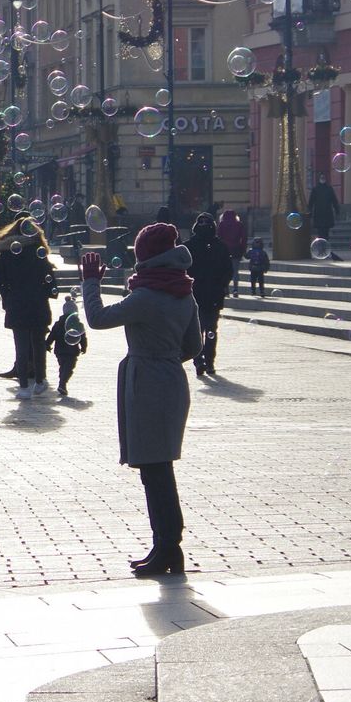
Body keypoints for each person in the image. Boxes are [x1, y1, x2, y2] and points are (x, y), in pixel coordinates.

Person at [80, 225, 202, 577]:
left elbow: (98, 319)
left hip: (148, 384)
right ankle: (166, 548)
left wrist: (91, 282)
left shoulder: (147, 295)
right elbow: (193, 347)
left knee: (156, 471)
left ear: (147, 255)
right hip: (172, 383)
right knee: (158, 469)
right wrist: (165, 357)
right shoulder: (183, 291)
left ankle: (167, 549)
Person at [0, 218, 57, 399]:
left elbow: (1, 281)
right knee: (38, 344)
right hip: (37, 303)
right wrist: (49, 293)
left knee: (20, 346)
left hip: (17, 303)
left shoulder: (7, 253)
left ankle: (23, 387)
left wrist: (7, 300)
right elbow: (49, 276)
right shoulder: (38, 250)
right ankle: (39, 381)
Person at [183, 213, 233, 377]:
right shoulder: (220, 246)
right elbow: (228, 271)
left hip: (199, 294)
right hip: (209, 295)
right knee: (209, 330)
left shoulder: (189, 246)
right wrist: (221, 285)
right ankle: (206, 362)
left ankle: (202, 361)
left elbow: (182, 271)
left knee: (201, 330)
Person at [46, 296, 88, 396]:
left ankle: (62, 382)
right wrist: (84, 347)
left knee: (63, 366)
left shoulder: (58, 323)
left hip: (59, 351)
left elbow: (52, 335)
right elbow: (82, 337)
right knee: (69, 367)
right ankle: (62, 383)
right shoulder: (78, 324)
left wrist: (47, 344)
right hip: (72, 351)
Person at [308, 173, 342, 259]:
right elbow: (311, 202)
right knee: (320, 234)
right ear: (319, 178)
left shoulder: (329, 188)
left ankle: (325, 250)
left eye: (324, 177)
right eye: (321, 177)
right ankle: (321, 250)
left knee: (326, 234)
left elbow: (334, 201)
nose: (323, 178)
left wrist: (337, 211)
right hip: (319, 215)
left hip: (327, 215)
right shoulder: (315, 189)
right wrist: (309, 213)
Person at [216, 209, 248, 293]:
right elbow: (244, 238)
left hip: (224, 251)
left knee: (225, 270)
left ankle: (226, 288)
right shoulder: (239, 224)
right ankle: (235, 289)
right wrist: (243, 249)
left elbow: (218, 237)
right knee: (235, 271)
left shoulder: (222, 224)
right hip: (236, 250)